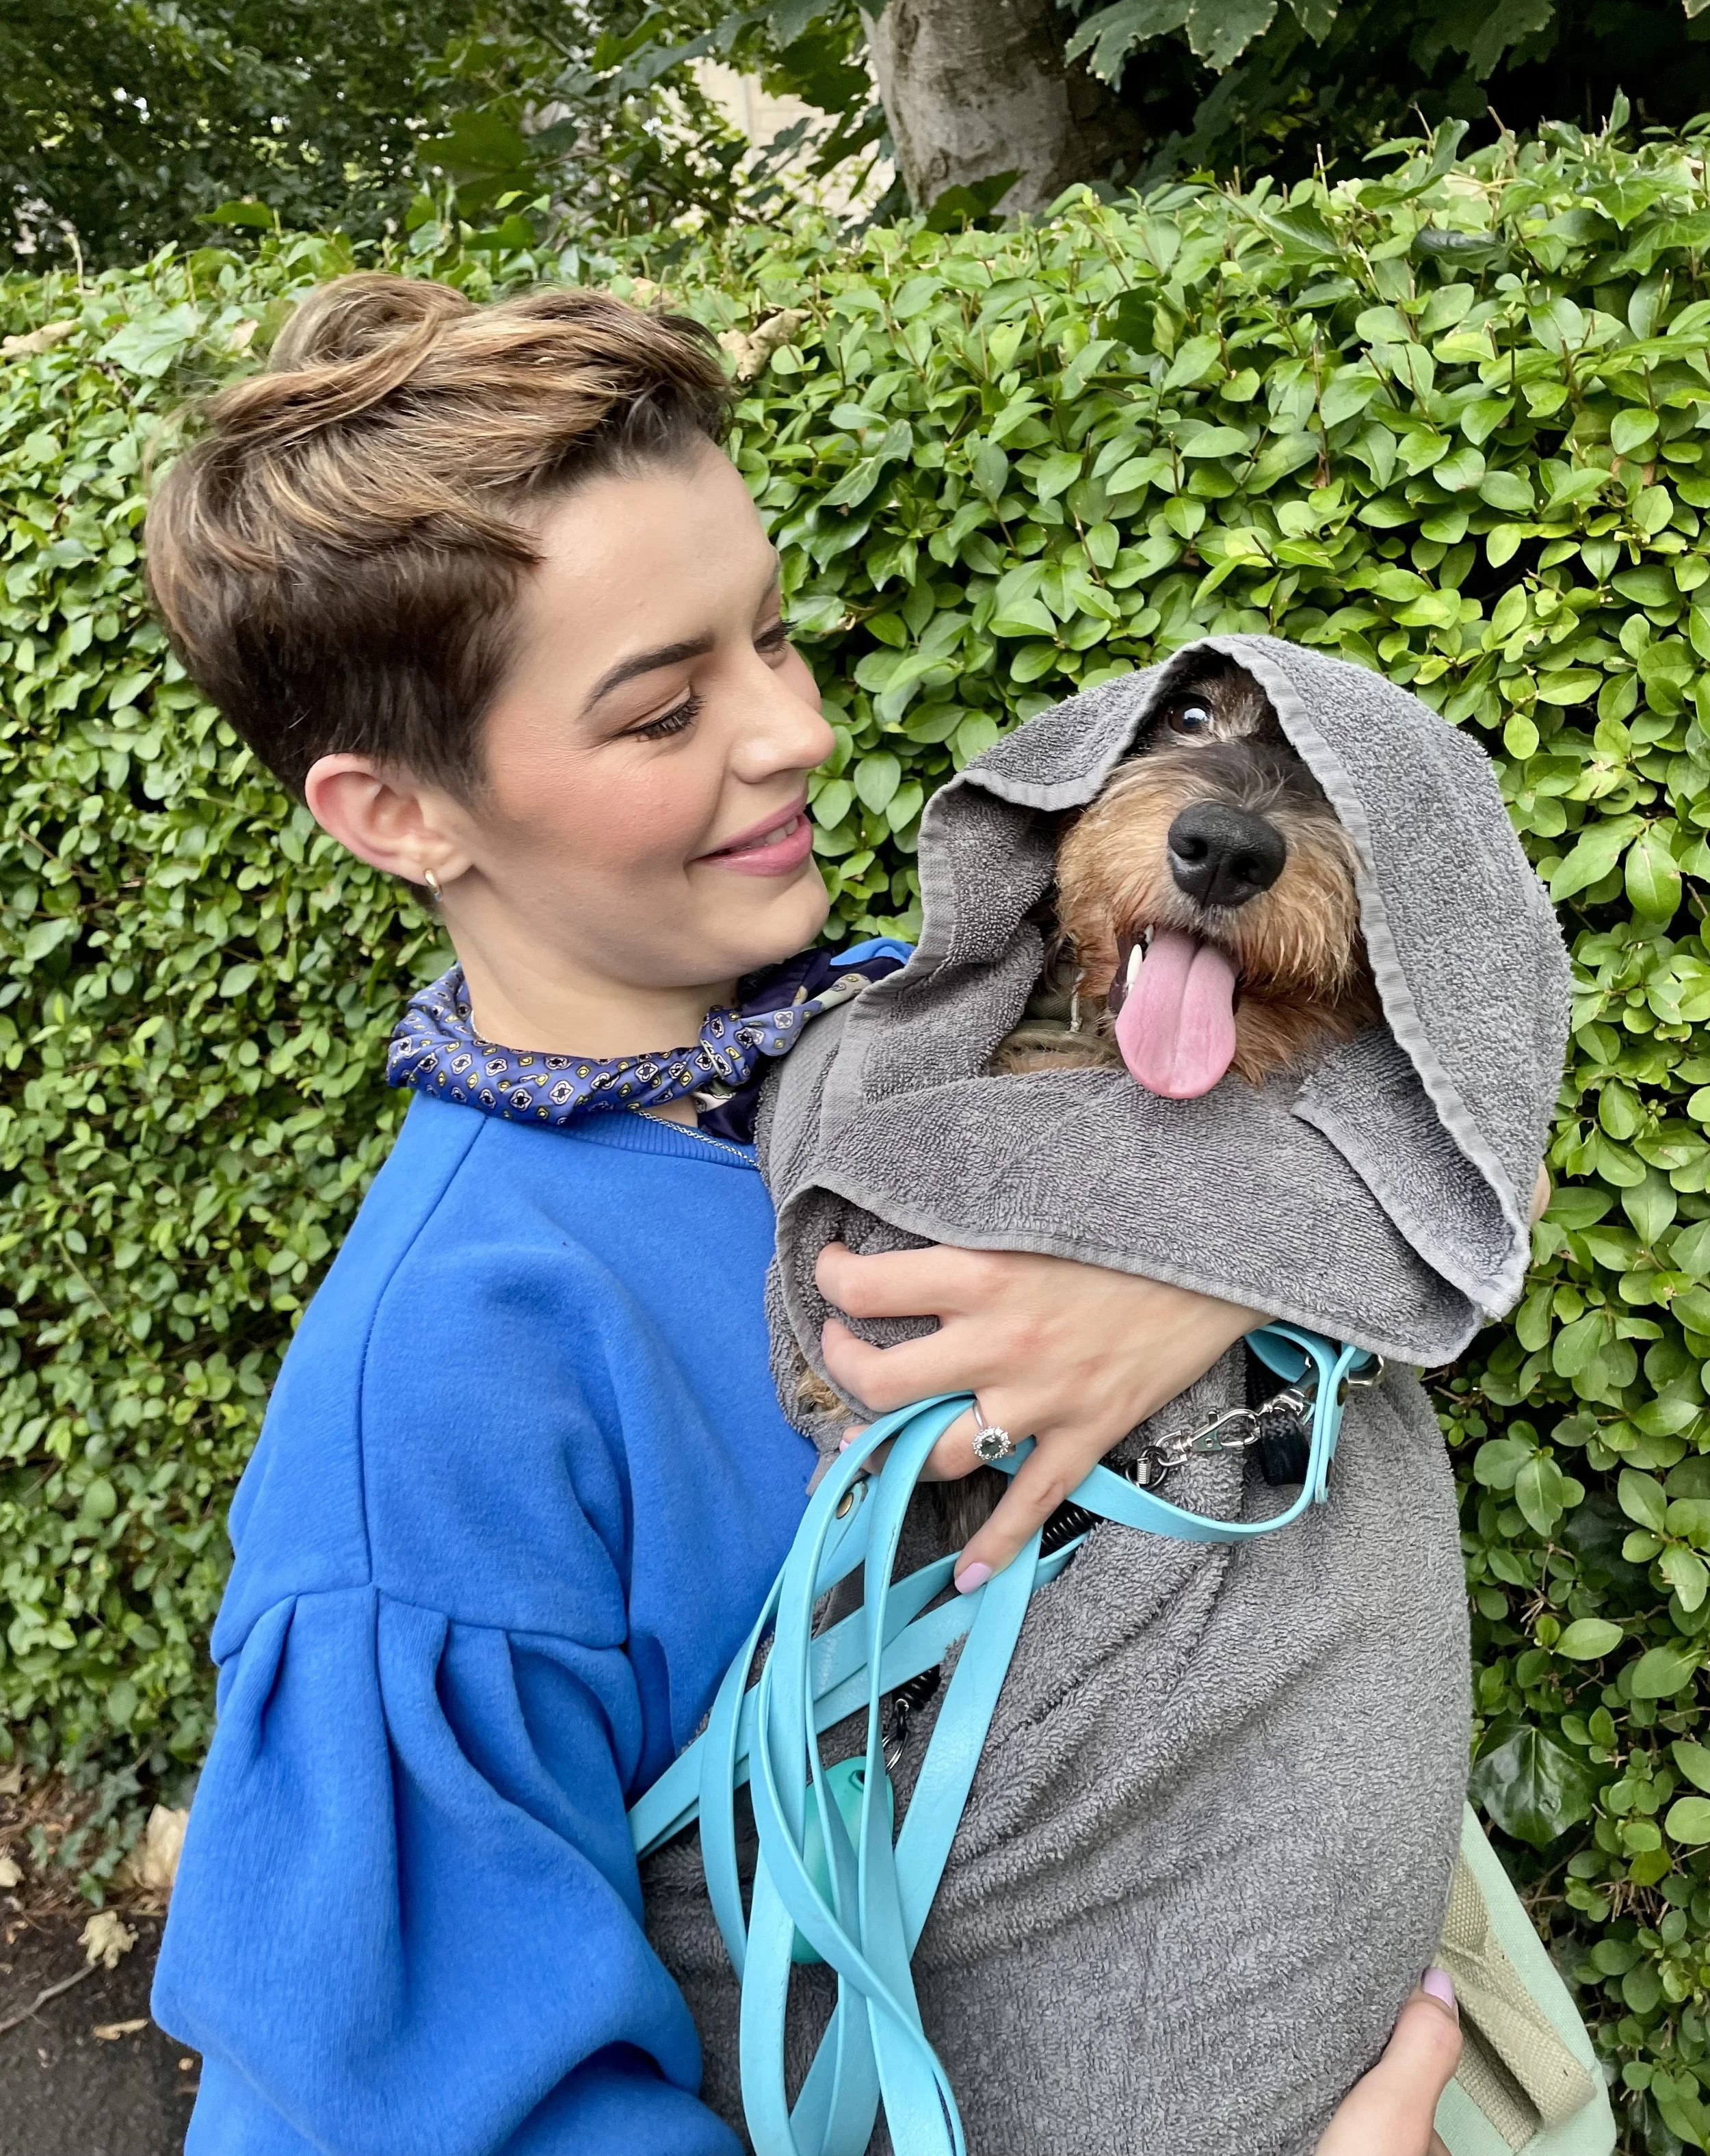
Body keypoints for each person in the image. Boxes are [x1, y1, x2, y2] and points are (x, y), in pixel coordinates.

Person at [144, 272, 1463, 2153]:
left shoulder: (919, 1024)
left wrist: (1195, 1272)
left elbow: (1434, 1098)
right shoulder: (439, 1396)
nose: (792, 735)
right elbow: (412, 2108)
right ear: (395, 814)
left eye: (770, 639)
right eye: (664, 707)